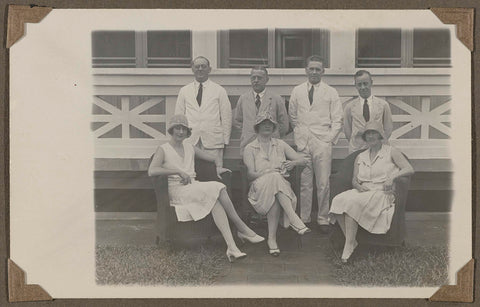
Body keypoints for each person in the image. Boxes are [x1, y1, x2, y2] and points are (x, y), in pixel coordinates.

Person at [148, 114, 264, 263]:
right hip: (177, 191)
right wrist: (177, 171)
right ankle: (242, 228)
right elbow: (152, 170)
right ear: (171, 130)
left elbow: (214, 158)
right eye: (177, 128)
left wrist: (218, 168)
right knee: (219, 188)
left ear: (187, 132)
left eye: (183, 129)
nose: (180, 132)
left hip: (193, 187)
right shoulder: (163, 149)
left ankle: (232, 247)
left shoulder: (190, 147)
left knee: (215, 200)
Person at [329, 121, 414, 263]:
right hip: (363, 191)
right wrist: (357, 186)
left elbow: (409, 169)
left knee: (352, 203)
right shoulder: (360, 156)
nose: (371, 136)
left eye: (374, 133)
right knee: (338, 200)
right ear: (364, 137)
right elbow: (354, 179)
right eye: (368, 134)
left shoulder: (391, 151)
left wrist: (392, 178)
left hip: (382, 192)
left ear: (380, 135)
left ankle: (348, 245)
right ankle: (351, 240)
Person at [288, 55, 343, 233]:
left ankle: (323, 218)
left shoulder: (331, 92)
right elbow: (293, 116)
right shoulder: (297, 91)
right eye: (311, 68)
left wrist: (329, 139)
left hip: (322, 141)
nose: (314, 72)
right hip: (303, 141)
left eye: (317, 69)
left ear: (323, 71)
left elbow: (337, 119)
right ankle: (305, 218)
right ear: (306, 70)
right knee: (305, 182)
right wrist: (300, 134)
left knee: (323, 181)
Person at [243, 112, 310, 257]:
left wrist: (293, 162)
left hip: (279, 191)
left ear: (273, 128)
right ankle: (293, 218)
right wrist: (268, 172)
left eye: (270, 124)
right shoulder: (250, 148)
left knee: (275, 189)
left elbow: (304, 160)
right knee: (274, 176)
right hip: (258, 191)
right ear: (257, 127)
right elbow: (250, 175)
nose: (267, 126)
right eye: (263, 124)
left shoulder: (280, 144)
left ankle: (272, 240)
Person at [175, 56, 232, 167]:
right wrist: (179, 139)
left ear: (209, 69)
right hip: (190, 140)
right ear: (192, 69)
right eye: (197, 66)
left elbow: (226, 116)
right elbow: (179, 117)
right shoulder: (184, 90)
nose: (200, 69)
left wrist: (225, 141)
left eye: (203, 66)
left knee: (214, 171)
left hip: (213, 140)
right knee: (189, 169)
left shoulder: (219, 90)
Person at [234, 66, 289, 155]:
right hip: (249, 145)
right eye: (253, 77)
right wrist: (248, 132)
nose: (256, 80)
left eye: (259, 78)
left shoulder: (276, 99)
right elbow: (238, 122)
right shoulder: (243, 98)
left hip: (271, 145)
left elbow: (284, 125)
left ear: (267, 79)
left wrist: (272, 135)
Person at [344, 70, 393, 153]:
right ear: (355, 85)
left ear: (371, 83)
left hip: (378, 148)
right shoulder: (350, 107)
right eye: (359, 84)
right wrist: (357, 142)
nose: (363, 87)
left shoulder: (383, 104)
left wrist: (377, 141)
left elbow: (388, 129)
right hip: (357, 148)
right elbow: (347, 131)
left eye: (365, 83)